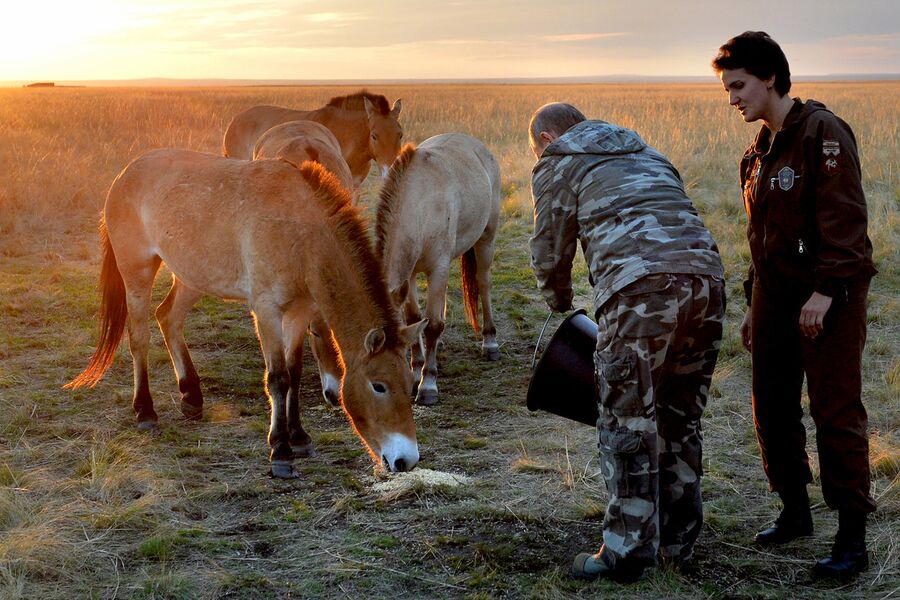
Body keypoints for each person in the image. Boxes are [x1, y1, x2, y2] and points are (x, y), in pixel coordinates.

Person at [528, 102, 726, 582]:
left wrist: (559, 299)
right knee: (680, 417)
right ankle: (679, 543)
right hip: (707, 284)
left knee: (626, 421)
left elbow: (550, 248)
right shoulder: (648, 152)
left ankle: (627, 552)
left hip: (641, 292)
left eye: (535, 149)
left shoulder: (558, 161)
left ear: (548, 139)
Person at [712, 31, 877, 580]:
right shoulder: (756, 152)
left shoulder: (822, 134)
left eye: (738, 86)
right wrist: (750, 304)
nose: (732, 97)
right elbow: (762, 237)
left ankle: (852, 539)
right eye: (727, 88)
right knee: (772, 405)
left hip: (829, 298)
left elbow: (847, 223)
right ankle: (794, 511)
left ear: (771, 78)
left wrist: (826, 292)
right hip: (774, 298)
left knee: (834, 411)